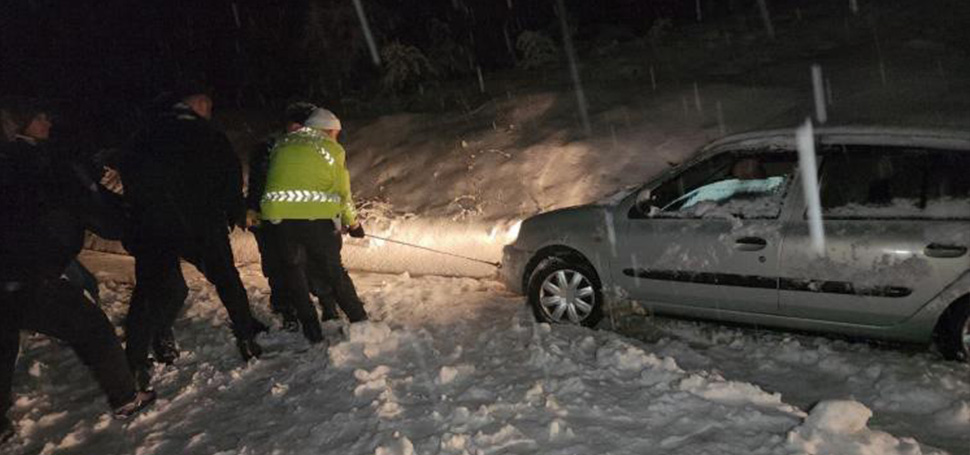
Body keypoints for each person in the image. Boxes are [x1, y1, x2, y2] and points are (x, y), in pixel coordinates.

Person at [0, 101, 154, 443]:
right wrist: (122, 214)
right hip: (32, 271)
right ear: (20, 122)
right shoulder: (48, 163)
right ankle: (127, 399)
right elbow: (99, 216)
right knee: (95, 329)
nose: (48, 122)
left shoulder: (12, 160)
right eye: (40, 117)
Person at [117, 84, 264, 391]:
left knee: (151, 290)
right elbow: (230, 174)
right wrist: (234, 211)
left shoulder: (145, 134)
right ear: (196, 103)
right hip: (202, 221)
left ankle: (136, 363)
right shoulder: (207, 135)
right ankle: (247, 338)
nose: (210, 113)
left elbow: (131, 176)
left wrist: (140, 214)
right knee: (226, 278)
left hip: (154, 224)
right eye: (208, 107)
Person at [260, 108, 368, 344]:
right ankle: (360, 321)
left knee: (295, 272)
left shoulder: (282, 144)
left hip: (279, 220)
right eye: (335, 133)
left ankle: (312, 332)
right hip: (315, 220)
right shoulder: (331, 149)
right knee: (333, 270)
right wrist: (353, 223)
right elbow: (343, 192)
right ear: (327, 130)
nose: (336, 138)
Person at [246, 102, 345, 332]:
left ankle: (328, 304)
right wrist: (253, 209)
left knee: (316, 263)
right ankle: (287, 309)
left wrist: (336, 215)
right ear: (293, 125)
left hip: (309, 217)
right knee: (280, 265)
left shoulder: (313, 147)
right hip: (273, 218)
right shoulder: (272, 147)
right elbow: (258, 182)